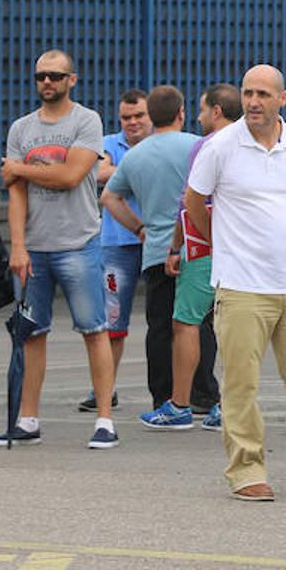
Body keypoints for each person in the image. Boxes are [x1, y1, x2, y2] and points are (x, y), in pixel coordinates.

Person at [185, 64, 286, 502]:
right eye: (247, 92)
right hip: (241, 285)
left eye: (262, 94)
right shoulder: (220, 146)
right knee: (241, 383)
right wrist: (223, 243)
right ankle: (247, 470)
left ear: (283, 98)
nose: (253, 101)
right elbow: (194, 201)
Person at [0, 50, 118, 449]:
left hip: (78, 243)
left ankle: (105, 420)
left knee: (94, 330)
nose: (47, 82)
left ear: (72, 80)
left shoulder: (86, 121)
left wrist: (20, 169)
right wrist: (17, 246)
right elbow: (15, 194)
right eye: (41, 76)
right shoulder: (21, 129)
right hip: (34, 247)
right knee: (31, 333)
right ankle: (28, 419)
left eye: (55, 76)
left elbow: (70, 175)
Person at [100, 85, 208, 428]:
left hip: (156, 251)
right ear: (181, 113)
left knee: (160, 328)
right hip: (195, 246)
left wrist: (139, 228)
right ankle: (202, 395)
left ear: (152, 117)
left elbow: (109, 198)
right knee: (198, 324)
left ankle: (163, 398)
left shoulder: (135, 156)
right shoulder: (196, 147)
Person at [164, 84, 240, 433]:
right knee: (234, 328)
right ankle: (229, 405)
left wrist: (175, 247)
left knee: (186, 322)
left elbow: (190, 200)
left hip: (206, 247)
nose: (198, 117)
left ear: (216, 112)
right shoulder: (250, 143)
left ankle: (180, 403)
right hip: (243, 249)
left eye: (202, 109)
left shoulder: (206, 145)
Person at [87, 88, 149, 412]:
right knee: (113, 321)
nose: (132, 122)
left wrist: (120, 171)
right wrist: (136, 168)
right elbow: (98, 173)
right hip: (116, 244)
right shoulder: (109, 143)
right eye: (126, 117)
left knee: (167, 321)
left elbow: (112, 175)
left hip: (154, 241)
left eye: (139, 116)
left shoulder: (160, 143)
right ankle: (104, 388)